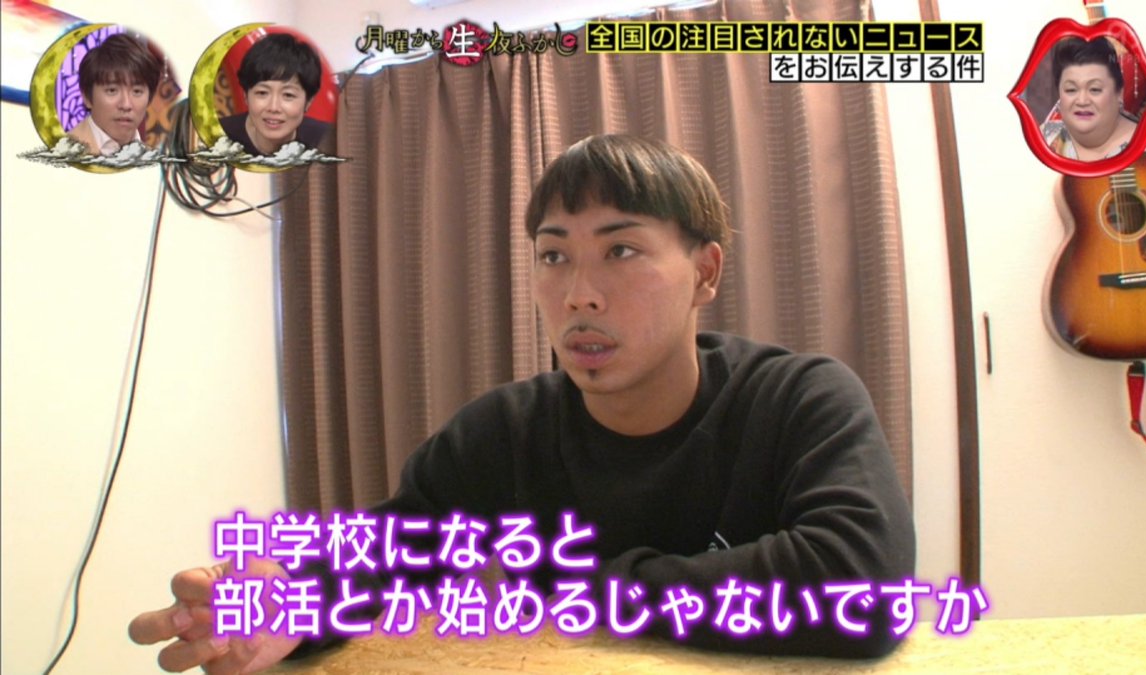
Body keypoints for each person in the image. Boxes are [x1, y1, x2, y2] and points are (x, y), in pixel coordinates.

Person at [128, 135, 915, 673]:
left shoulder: (798, 400)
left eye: (622, 250)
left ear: (705, 272)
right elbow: (391, 556)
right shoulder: (502, 433)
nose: (579, 294)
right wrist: (290, 605)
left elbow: (864, 585)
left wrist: (581, 591)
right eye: (553, 255)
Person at [219, 33, 330, 157]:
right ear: (246, 95)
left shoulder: (328, 141)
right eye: (262, 93)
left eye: (288, 95)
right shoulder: (217, 137)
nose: (273, 107)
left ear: (308, 102)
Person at [1042, 36, 1138, 162]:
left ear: (1119, 93)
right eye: (1071, 90)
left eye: (1094, 89)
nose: (1082, 101)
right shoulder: (1045, 139)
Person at [66, 32, 160, 156]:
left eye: (137, 91)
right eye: (112, 90)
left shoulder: (153, 159)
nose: (126, 105)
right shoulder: (64, 155)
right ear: (87, 97)